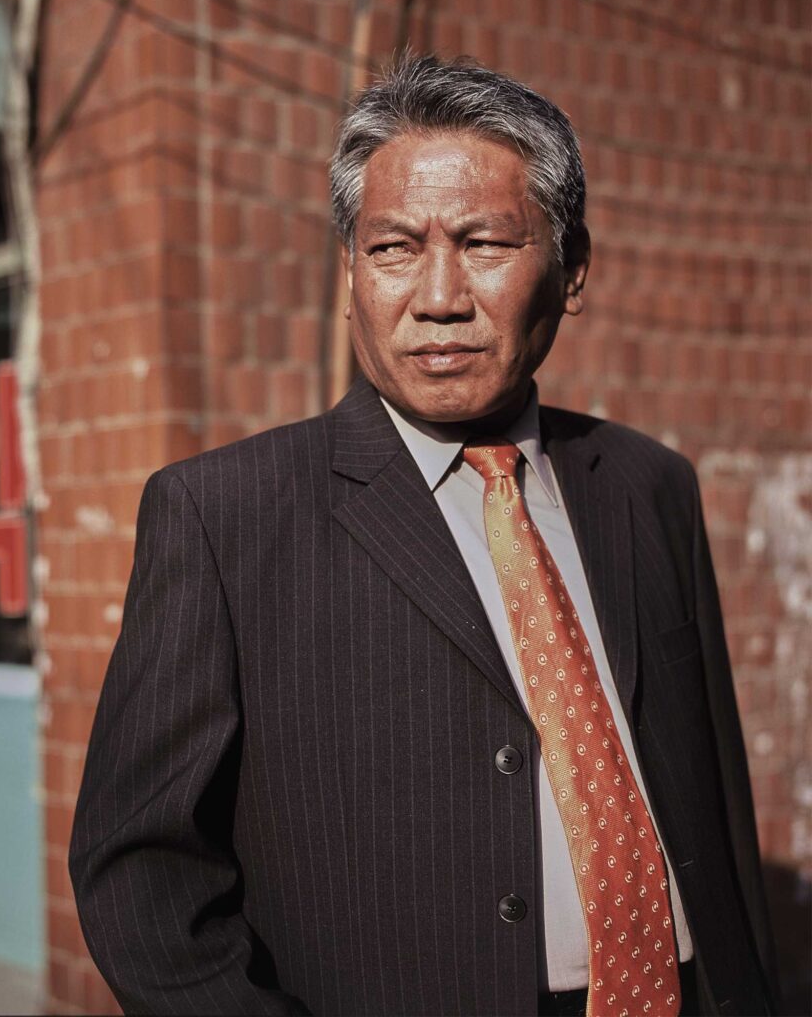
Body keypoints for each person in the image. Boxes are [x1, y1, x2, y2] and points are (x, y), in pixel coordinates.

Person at [70, 55, 776, 1017]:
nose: (438, 296)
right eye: (394, 248)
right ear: (351, 272)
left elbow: (719, 804)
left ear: (571, 271)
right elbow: (141, 875)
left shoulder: (650, 485)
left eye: (485, 243)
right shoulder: (223, 517)